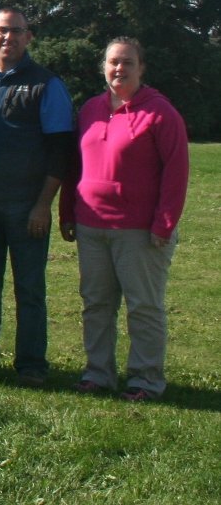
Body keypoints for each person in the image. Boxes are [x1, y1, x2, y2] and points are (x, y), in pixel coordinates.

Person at [59, 37, 188, 402]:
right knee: (96, 304)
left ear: (141, 68)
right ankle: (98, 373)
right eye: (113, 62)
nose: (119, 68)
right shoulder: (90, 109)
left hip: (139, 231)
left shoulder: (160, 113)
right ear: (104, 67)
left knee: (143, 306)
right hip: (91, 226)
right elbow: (74, 166)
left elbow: (176, 173)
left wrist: (164, 223)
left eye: (127, 62)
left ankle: (146, 379)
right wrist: (67, 211)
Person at [0, 7, 73, 385]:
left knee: (30, 289)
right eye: (2, 30)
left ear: (28, 37)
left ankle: (32, 364)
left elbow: (60, 149)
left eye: (17, 31)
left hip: (27, 206)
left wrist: (43, 204)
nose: (9, 37)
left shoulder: (45, 83)